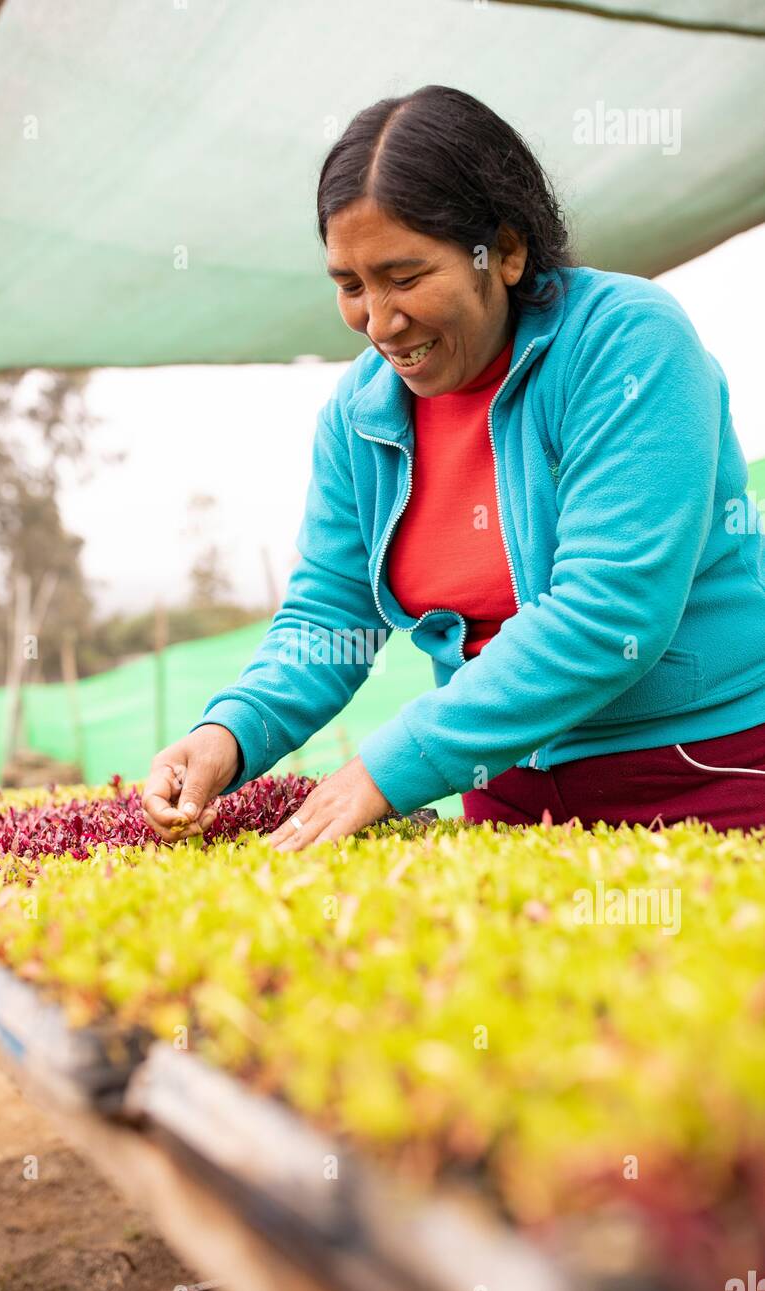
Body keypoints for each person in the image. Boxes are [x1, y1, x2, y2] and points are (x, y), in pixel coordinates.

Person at [142, 85, 765, 852]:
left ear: (504, 251)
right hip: (499, 796)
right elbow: (329, 615)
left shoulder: (627, 347)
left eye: (404, 278)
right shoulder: (359, 415)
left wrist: (383, 772)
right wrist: (230, 732)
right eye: (349, 285)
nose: (378, 321)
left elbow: (610, 613)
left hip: (699, 773)